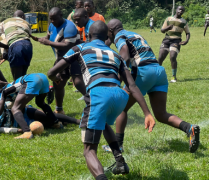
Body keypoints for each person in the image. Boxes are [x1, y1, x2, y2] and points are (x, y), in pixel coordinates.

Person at [47, 21, 155, 179]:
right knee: (101, 121)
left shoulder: (80, 47)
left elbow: (52, 71)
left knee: (89, 150)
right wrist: (147, 113)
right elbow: (132, 85)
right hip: (119, 95)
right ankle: (120, 162)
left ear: (89, 35)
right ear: (107, 38)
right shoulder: (116, 54)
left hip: (99, 94)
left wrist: (55, 78)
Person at [106, 19, 200, 153]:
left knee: (122, 108)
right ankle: (188, 128)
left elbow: (125, 57)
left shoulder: (120, 36)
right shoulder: (134, 33)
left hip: (144, 72)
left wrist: (117, 78)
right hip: (159, 72)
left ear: (111, 31)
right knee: (161, 114)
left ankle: (118, 146)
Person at [32, 7, 86, 115]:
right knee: (58, 83)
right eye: (51, 19)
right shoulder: (52, 25)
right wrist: (39, 39)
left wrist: (48, 43)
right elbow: (48, 37)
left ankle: (96, 103)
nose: (52, 21)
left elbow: (67, 45)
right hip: (60, 58)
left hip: (74, 57)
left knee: (78, 82)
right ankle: (59, 109)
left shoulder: (69, 26)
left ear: (61, 16)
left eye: (54, 19)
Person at [0, 73, 63, 139]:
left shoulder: (2, 93)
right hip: (42, 78)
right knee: (40, 103)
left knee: (15, 109)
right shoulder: (11, 88)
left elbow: (0, 111)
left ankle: (26, 132)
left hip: (31, 81)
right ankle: (56, 123)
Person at [0, 10, 33, 81]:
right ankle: (23, 90)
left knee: (17, 81)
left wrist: (6, 47)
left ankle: (18, 91)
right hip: (28, 46)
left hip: (15, 46)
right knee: (23, 76)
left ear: (13, 17)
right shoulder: (26, 23)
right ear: (23, 17)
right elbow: (28, 36)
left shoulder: (5, 22)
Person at [158, 6, 190, 83]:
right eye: (179, 9)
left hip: (176, 41)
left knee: (172, 57)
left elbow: (188, 33)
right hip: (166, 40)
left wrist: (186, 40)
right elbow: (162, 30)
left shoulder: (184, 21)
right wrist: (168, 28)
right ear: (176, 10)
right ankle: (157, 75)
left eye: (182, 10)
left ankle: (173, 77)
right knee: (160, 58)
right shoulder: (168, 19)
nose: (181, 11)